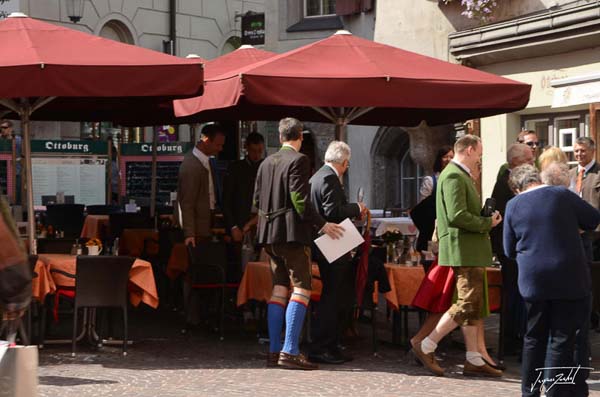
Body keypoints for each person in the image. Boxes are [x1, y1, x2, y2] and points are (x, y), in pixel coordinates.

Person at [254, 117, 344, 370]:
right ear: (300, 136)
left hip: (268, 236)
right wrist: (323, 224)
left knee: (279, 290)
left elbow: (257, 201)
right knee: (302, 289)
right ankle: (290, 350)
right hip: (292, 235)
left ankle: (273, 351)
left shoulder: (265, 162)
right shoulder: (299, 160)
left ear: (280, 136)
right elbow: (300, 200)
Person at [504, 164, 600, 397]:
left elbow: (508, 249)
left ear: (517, 188)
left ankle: (530, 391)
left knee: (533, 337)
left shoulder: (513, 205)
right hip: (568, 276)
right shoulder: (560, 194)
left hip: (533, 280)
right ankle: (555, 391)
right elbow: (593, 218)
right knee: (561, 337)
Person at [412, 134, 503, 377]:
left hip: (468, 248)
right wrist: (487, 222)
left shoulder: (457, 174)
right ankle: (428, 344)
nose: (480, 159)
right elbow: (457, 215)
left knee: (472, 304)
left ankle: (473, 357)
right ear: (470, 150)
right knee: (466, 303)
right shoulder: (453, 175)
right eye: (480, 154)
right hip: (464, 249)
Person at [308, 141, 366, 365]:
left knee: (332, 297)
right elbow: (333, 211)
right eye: (347, 164)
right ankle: (323, 346)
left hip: (324, 244)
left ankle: (329, 344)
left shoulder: (316, 176)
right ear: (343, 162)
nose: (346, 168)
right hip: (332, 244)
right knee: (333, 298)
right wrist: (357, 208)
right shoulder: (329, 178)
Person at [490, 143, 534, 357]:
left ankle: (514, 337)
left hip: (514, 247)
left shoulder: (511, 180)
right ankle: (512, 339)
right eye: (529, 160)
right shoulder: (506, 182)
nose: (532, 164)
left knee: (517, 294)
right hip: (512, 249)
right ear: (516, 162)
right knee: (514, 294)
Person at [175, 123, 225, 247]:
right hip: (197, 232)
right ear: (206, 141)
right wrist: (190, 234)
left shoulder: (207, 161)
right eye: (218, 145)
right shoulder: (192, 166)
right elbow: (187, 203)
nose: (220, 149)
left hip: (205, 227)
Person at [223, 132, 265, 244]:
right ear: (247, 148)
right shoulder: (235, 169)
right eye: (253, 151)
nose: (256, 155)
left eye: (260, 151)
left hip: (261, 222)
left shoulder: (267, 167)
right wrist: (233, 226)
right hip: (240, 222)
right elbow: (226, 201)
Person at [412, 145, 454, 258]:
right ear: (439, 159)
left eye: (451, 157)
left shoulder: (456, 181)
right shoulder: (430, 181)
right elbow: (423, 207)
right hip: (431, 231)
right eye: (445, 156)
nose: (449, 160)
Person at [0, 120, 22, 204]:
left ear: (10, 129)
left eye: (4, 127)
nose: (2, 129)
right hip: (3, 171)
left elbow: (22, 155)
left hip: (15, 171)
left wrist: (16, 160)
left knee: (17, 194)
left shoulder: (18, 140)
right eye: (1, 128)